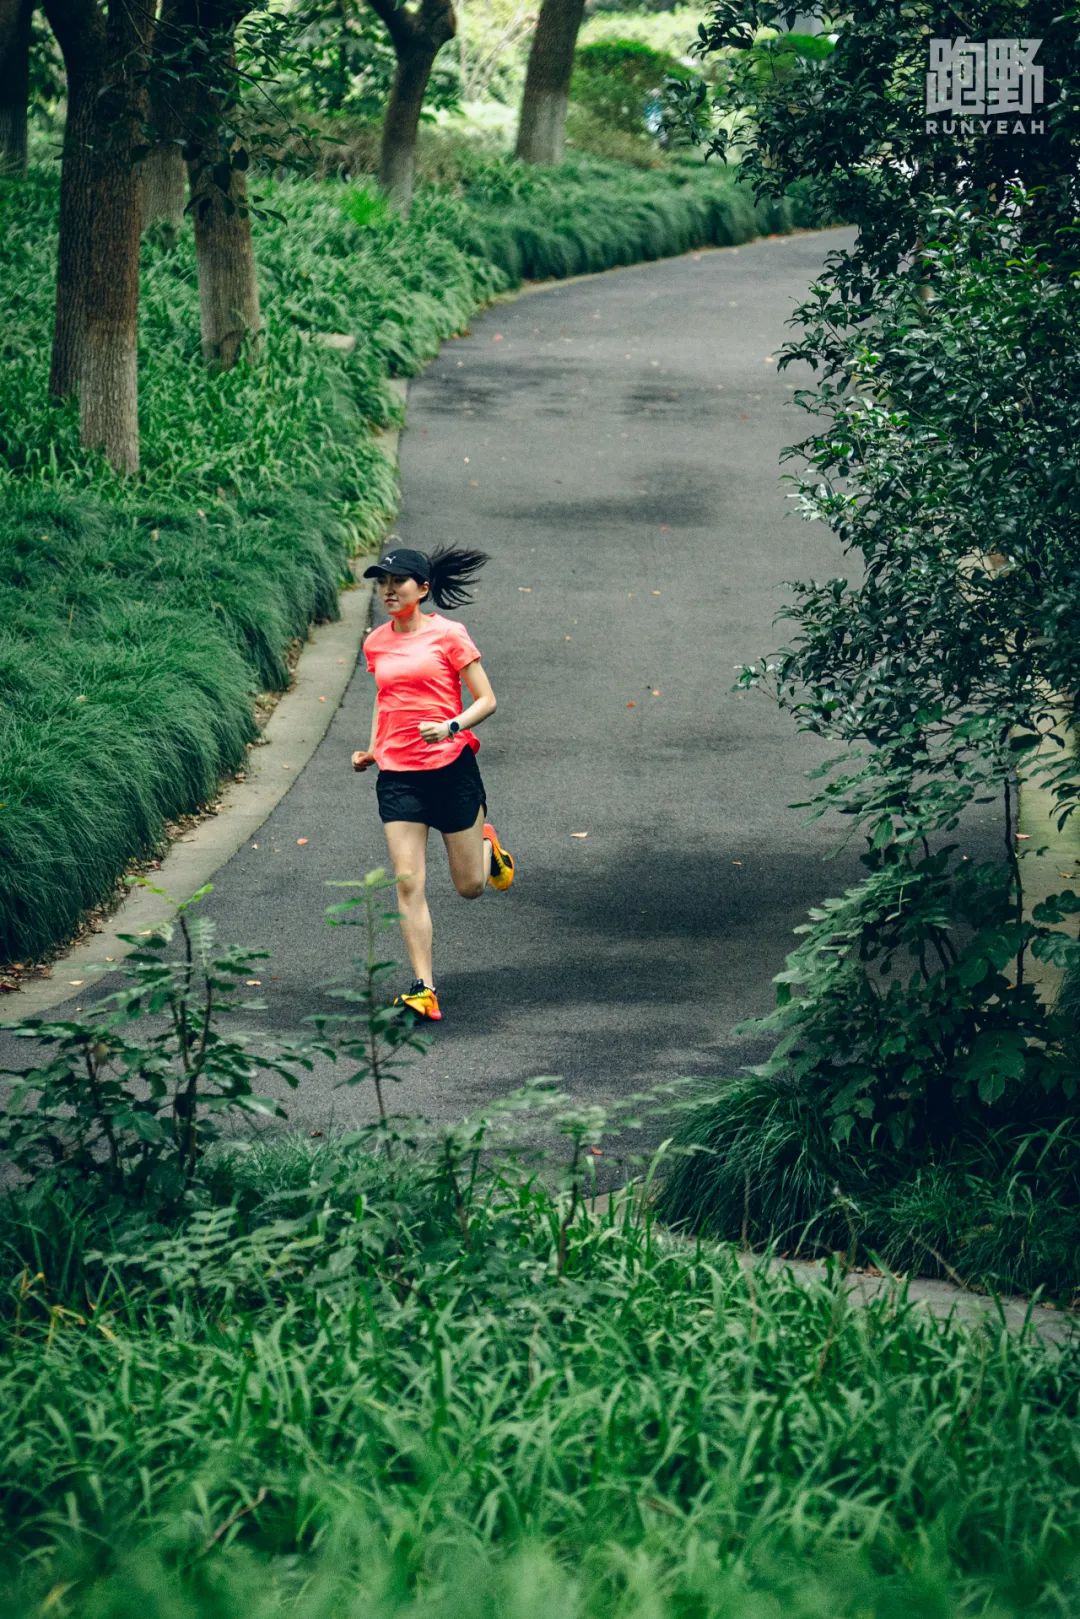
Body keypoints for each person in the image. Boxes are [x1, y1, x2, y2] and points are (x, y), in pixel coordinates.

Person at [352, 542, 515, 1023]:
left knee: (469, 887)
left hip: (450, 769)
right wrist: (374, 749)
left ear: (422, 589)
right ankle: (424, 987)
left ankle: (487, 847)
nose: (387, 591)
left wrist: (451, 727)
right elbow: (386, 698)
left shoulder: (450, 636)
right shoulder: (376, 641)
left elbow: (487, 699)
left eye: (396, 582)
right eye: (382, 583)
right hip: (399, 777)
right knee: (407, 882)